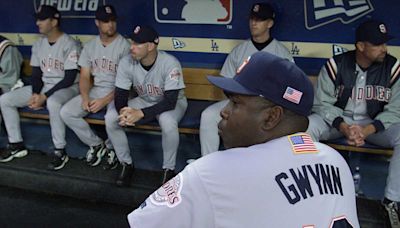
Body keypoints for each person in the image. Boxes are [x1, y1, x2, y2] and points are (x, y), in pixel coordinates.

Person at [127, 52, 359, 227]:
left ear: (271, 117)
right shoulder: (335, 161)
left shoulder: (213, 171)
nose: (224, 111)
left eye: (236, 103)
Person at [306, 20, 400, 227]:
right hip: (338, 122)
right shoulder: (336, 64)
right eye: (378, 44)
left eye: (385, 43)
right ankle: (309, 193)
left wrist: (367, 130)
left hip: (375, 125)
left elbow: (396, 110)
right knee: (306, 128)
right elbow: (321, 104)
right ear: (361, 46)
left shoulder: (392, 67)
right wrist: (343, 126)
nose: (384, 48)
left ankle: (392, 202)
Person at [199, 2, 294, 157]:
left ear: (270, 23)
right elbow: (226, 80)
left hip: (267, 106)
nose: (254, 23)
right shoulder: (239, 51)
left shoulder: (282, 53)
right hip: (239, 101)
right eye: (252, 19)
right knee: (208, 116)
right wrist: (237, 100)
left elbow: (290, 87)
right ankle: (208, 163)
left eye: (260, 20)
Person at [105, 25, 187, 187]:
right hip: (145, 99)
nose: (132, 47)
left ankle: (168, 169)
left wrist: (140, 113)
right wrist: (124, 112)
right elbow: (120, 94)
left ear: (150, 46)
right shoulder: (126, 62)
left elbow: (170, 101)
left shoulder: (170, 63)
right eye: (132, 43)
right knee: (111, 117)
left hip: (172, 103)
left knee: (167, 122)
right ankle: (126, 163)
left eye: (137, 44)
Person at [0, 5, 80, 166]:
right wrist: (36, 94)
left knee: (53, 102)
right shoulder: (38, 44)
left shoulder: (70, 43)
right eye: (37, 19)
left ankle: (60, 150)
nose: (38, 23)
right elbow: (36, 75)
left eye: (42, 19)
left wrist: (44, 96)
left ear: (54, 21)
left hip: (68, 88)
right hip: (45, 86)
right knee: (6, 99)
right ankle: (16, 144)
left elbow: (69, 78)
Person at [59, 5, 130, 170]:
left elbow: (126, 83)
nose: (110, 25)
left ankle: (113, 150)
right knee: (66, 112)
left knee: (112, 117)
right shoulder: (91, 46)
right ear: (97, 23)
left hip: (120, 92)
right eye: (105, 21)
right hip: (97, 89)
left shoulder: (125, 46)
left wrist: (104, 101)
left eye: (112, 20)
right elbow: (84, 76)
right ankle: (97, 144)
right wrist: (85, 97)